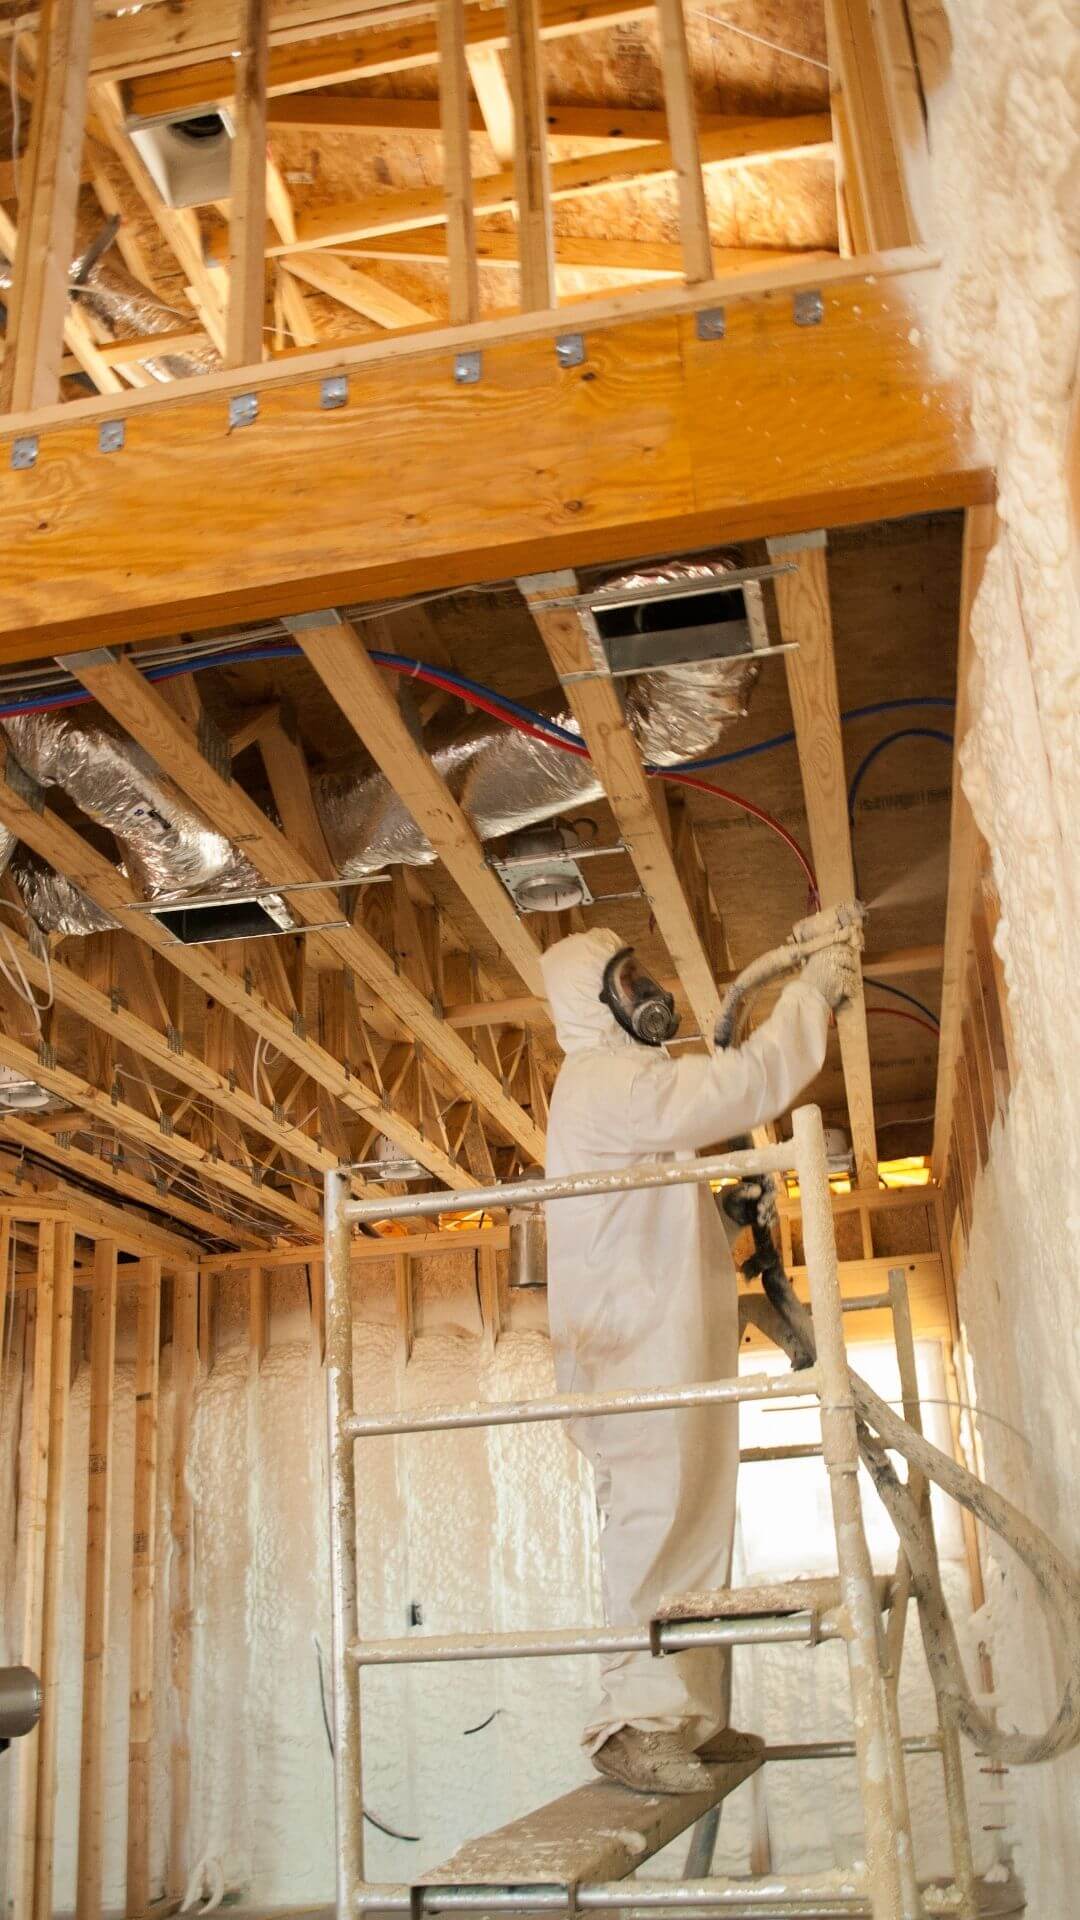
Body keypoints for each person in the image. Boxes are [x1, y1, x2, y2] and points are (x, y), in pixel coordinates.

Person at [539, 926, 857, 1794]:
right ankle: (633, 1724)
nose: (647, 990)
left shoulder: (628, 1094)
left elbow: (647, 1230)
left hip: (662, 1345)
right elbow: (738, 1083)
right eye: (625, 979)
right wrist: (809, 998)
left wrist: (719, 1217)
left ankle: (689, 1720)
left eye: (640, 971)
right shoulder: (606, 1080)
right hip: (631, 1356)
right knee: (654, 1528)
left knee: (695, 1529)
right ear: (588, 1002)